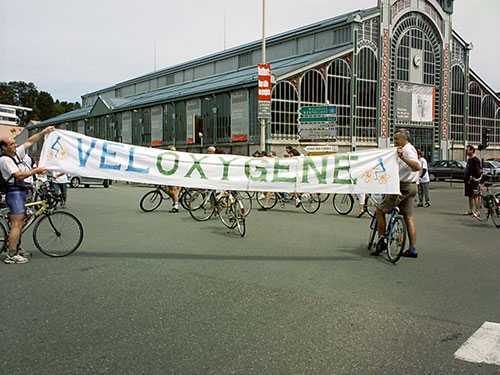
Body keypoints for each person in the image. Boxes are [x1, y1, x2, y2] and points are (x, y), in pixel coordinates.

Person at [0, 126, 54, 264]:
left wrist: (43, 132)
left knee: (23, 218)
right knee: (17, 224)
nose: (15, 144)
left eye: (14, 142)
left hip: (20, 191)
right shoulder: (5, 160)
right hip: (14, 192)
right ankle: (11, 254)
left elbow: (29, 141)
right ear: (4, 148)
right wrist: (35, 171)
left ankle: (15, 246)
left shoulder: (15, 153)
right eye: (12, 143)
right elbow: (18, 174)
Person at [372, 129, 422, 259]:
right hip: (412, 186)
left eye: (396, 139)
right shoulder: (404, 149)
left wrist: (402, 157)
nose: (395, 142)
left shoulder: (407, 150)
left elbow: (417, 167)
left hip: (402, 187)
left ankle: (382, 241)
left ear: (404, 139)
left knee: (379, 210)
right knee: (408, 217)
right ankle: (412, 248)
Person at [464, 145, 482, 217]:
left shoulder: (476, 160)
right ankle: (471, 210)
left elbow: (478, 171)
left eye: (468, 150)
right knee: (470, 196)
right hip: (468, 181)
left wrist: (474, 177)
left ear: (472, 150)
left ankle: (477, 211)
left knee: (475, 196)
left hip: (474, 181)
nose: (466, 151)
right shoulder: (469, 159)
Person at [161, 145, 181, 213]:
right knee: (167, 190)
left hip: (176, 177)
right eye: (171, 151)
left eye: (174, 151)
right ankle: (176, 199)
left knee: (174, 191)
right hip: (168, 176)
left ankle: (176, 206)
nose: (173, 152)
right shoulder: (166, 158)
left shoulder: (177, 158)